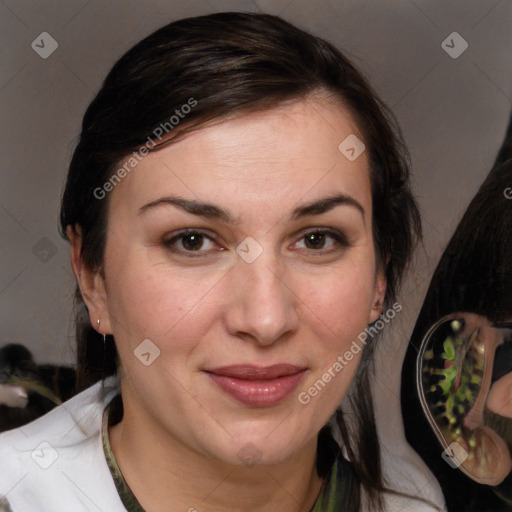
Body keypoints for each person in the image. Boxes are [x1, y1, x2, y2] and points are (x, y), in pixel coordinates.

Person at [0, 12, 429, 512]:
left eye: (316, 239)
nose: (265, 319)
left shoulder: (424, 502)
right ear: (93, 278)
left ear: (379, 278)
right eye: (192, 242)